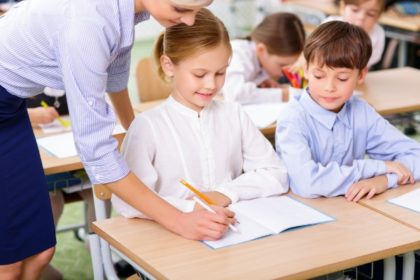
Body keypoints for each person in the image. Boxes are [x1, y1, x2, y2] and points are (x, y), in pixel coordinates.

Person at [0, 0, 233, 278]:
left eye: (197, 9)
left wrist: (140, 134)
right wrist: (180, 221)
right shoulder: (87, 25)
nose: (190, 21)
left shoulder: (125, 8)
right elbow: (95, 153)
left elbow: (115, 75)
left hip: (10, 109)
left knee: (40, 252)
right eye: (181, 9)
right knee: (10, 263)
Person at [112, 8, 288, 219]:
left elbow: (276, 174)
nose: (211, 84)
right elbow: (127, 202)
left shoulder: (234, 114)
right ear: (168, 66)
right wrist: (188, 209)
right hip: (171, 238)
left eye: (221, 72)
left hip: (230, 231)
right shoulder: (147, 127)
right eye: (200, 74)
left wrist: (222, 194)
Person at [275, 21, 420, 202]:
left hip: (350, 209)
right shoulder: (293, 118)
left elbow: (417, 155)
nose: (329, 87)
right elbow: (307, 183)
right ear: (306, 71)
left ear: (361, 75)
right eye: (319, 76)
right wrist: (375, 167)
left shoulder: (361, 112)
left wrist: (384, 180)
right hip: (303, 210)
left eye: (342, 78)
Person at [222, 12, 305, 104]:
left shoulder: (261, 60)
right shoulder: (238, 53)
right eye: (282, 65)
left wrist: (261, 81)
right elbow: (235, 95)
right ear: (261, 50)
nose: (286, 72)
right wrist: (284, 94)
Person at [326, 0, 386, 68]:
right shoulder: (330, 26)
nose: (361, 17)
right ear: (342, 7)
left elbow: (369, 63)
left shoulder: (378, 34)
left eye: (370, 14)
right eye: (355, 10)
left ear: (378, 17)